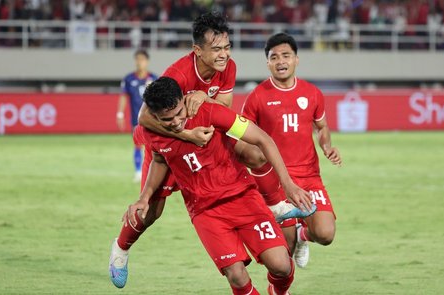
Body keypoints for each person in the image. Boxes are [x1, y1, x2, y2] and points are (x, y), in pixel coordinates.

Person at [109, 12, 315, 289]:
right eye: (216, 49)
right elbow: (146, 120)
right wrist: (186, 134)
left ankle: (275, 203)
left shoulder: (228, 67)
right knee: (151, 212)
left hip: (207, 135)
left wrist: (205, 98)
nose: (224, 55)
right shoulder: (178, 75)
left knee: (255, 153)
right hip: (173, 145)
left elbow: (225, 105)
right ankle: (121, 249)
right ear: (197, 50)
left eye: (227, 47)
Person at [127, 77, 311, 294]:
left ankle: (278, 290)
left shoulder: (212, 113)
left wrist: (288, 185)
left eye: (179, 113)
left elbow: (263, 139)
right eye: (167, 119)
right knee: (237, 276)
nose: (177, 122)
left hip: (243, 197)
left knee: (281, 265)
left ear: (183, 100)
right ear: (155, 117)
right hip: (206, 212)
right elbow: (159, 160)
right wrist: (144, 196)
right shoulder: (154, 132)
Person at [241, 33, 342, 268]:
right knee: (284, 253)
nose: (280, 61)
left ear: (296, 59)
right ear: (268, 63)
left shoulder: (312, 93)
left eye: (286, 55)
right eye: (274, 57)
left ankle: (303, 235)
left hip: (309, 177)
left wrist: (327, 146)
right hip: (276, 180)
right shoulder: (256, 97)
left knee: (326, 234)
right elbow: (243, 138)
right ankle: (278, 286)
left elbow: (322, 127)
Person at [117, 49, 157, 182]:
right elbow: (123, 96)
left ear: (147, 61)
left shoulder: (154, 79)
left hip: (153, 119)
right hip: (137, 118)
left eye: (142, 59)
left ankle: (154, 172)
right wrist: (120, 114)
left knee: (154, 146)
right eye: (137, 59)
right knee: (138, 144)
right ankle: (138, 172)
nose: (140, 62)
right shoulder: (129, 79)